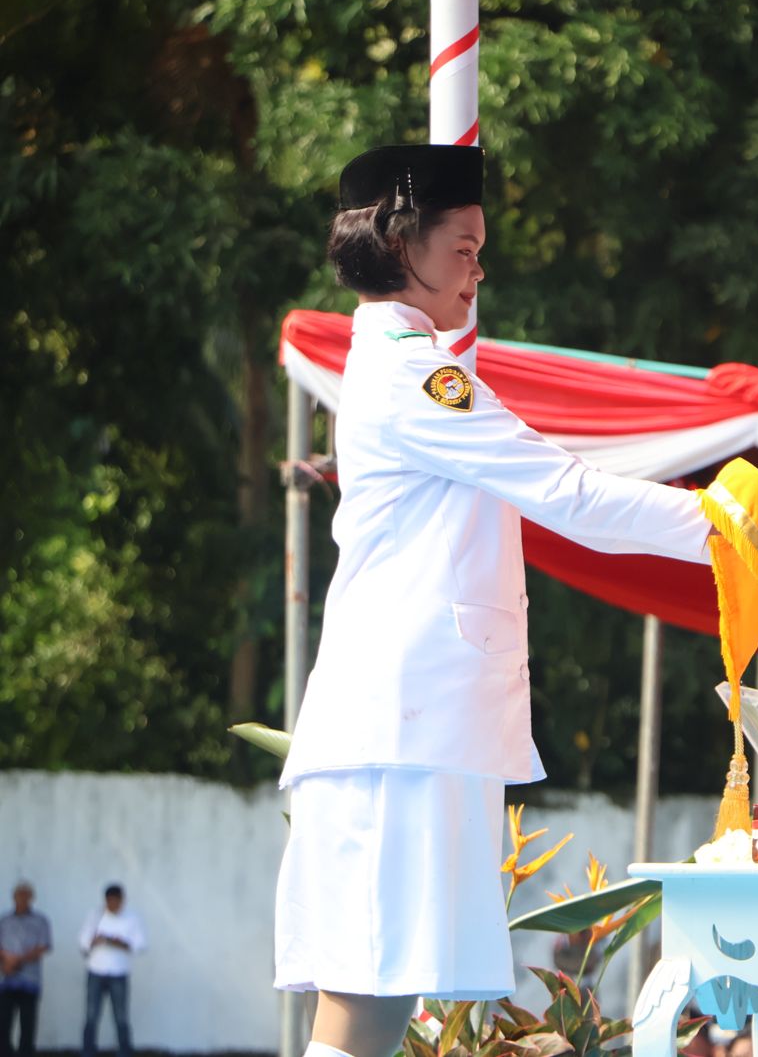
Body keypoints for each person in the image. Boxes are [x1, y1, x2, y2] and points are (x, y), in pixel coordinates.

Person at [274, 144, 712, 1057]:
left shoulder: (407, 370)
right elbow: (572, 495)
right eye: (464, 247)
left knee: (379, 1008)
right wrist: (736, 523)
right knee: (362, 1007)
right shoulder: (413, 379)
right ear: (402, 245)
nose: (479, 270)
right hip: (397, 731)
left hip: (412, 725)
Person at [79, 884, 144, 1057]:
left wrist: (120, 943)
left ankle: (124, 1051)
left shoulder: (131, 918)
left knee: (121, 1016)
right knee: (91, 1015)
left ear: (122, 901)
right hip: (96, 971)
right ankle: (88, 1051)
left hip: (119, 973)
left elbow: (140, 945)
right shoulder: (95, 916)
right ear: (106, 900)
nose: (114, 905)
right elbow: (83, 943)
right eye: (110, 902)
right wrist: (96, 940)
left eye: (117, 902)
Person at [0, 881, 50, 1057]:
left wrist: (17, 960)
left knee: (28, 1023)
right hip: (8, 980)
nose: (22, 898)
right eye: (18, 895)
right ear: (13, 897)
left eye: (25, 895)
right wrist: (6, 962)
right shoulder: (4, 920)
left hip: (30, 979)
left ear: (31, 898)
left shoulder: (40, 920)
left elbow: (43, 946)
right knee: (3, 1022)